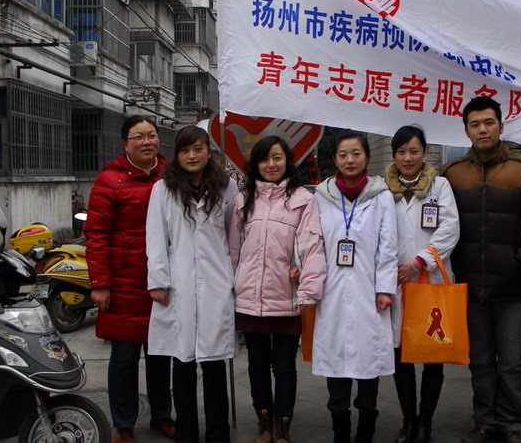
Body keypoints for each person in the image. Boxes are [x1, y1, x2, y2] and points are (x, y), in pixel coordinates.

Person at [441, 96, 521, 443]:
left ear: (501, 126)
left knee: (510, 361)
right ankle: (484, 422)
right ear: (466, 131)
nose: (483, 129)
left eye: (489, 122)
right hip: (470, 284)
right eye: (475, 124)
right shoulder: (452, 173)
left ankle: (512, 423)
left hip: (513, 285)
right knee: (480, 360)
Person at [228, 136, 326, 443]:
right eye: (264, 159)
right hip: (250, 298)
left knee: (284, 367)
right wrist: (230, 288)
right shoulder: (243, 200)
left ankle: (283, 426)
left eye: (277, 158)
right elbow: (233, 250)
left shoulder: (303, 200)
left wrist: (308, 289)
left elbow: (312, 247)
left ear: (288, 161)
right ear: (255, 164)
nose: (271, 165)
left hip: (287, 296)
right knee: (256, 364)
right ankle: (264, 422)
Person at [146, 126, 238, 443]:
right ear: (177, 155)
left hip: (216, 282)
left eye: (198, 149)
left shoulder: (226, 187)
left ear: (208, 151)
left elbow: (235, 236)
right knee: (182, 361)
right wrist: (159, 281)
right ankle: (186, 433)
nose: (192, 156)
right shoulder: (163, 189)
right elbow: (156, 238)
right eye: (185, 150)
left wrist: (233, 276)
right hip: (179, 283)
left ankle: (218, 433)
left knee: (214, 364)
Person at [85, 115, 174, 443]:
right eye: (139, 137)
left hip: (163, 280)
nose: (147, 142)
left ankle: (162, 415)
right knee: (123, 358)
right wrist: (100, 283)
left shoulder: (171, 175)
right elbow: (96, 233)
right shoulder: (110, 180)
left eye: (152, 135)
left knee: (161, 355)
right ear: (125, 144)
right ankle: (124, 424)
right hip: (123, 282)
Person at [312, 130, 398, 443]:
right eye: (343, 154)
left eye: (356, 153)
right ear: (335, 159)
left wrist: (385, 288)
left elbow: (388, 247)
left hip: (368, 293)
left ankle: (365, 434)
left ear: (367, 157)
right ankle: (340, 434)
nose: (350, 160)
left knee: (368, 364)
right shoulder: (322, 196)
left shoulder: (381, 196)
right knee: (336, 367)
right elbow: (312, 243)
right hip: (332, 293)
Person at [385, 125, 460, 443]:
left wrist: (419, 261)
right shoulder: (382, 190)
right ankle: (409, 420)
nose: (408, 157)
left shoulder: (440, 186)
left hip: (430, 279)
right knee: (401, 353)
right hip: (396, 282)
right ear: (394, 155)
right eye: (401, 151)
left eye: (414, 151)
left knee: (431, 353)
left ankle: (425, 422)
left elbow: (450, 229)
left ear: (424, 153)